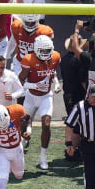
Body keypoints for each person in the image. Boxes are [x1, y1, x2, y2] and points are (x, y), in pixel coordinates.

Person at [19, 35, 61, 170]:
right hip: (31, 96)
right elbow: (19, 81)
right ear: (36, 49)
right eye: (42, 51)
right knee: (23, 123)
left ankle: (43, 156)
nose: (45, 54)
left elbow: (52, 72)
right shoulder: (28, 60)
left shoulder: (55, 57)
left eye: (47, 50)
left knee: (46, 125)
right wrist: (34, 86)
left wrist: (56, 83)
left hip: (46, 96)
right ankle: (23, 141)